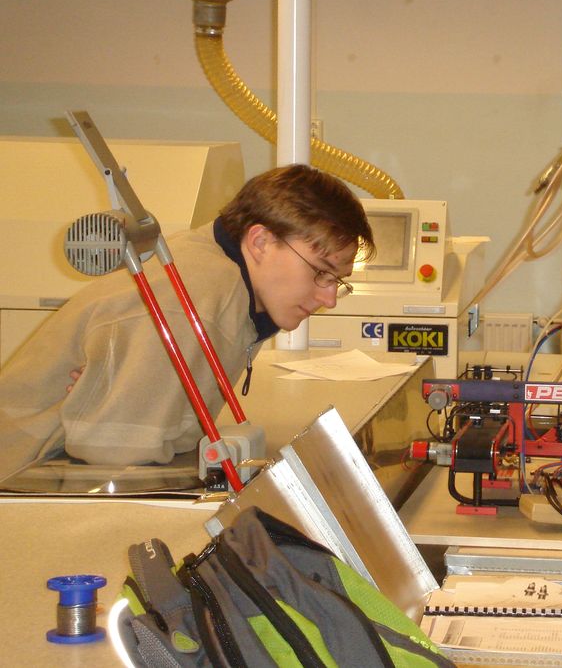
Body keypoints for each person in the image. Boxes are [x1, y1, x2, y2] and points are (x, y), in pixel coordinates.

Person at [0, 163, 374, 483]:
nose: (328, 299)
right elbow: (114, 456)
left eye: (337, 281)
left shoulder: (227, 279)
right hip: (21, 478)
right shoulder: (198, 300)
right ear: (260, 242)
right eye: (320, 272)